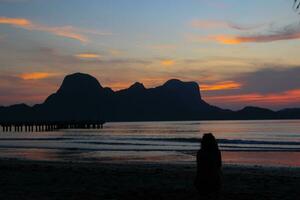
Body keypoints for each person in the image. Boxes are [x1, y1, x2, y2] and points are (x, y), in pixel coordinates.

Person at [194, 133, 222, 198]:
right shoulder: (217, 151)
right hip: (214, 179)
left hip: (202, 179)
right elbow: (219, 165)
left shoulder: (200, 152)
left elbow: (199, 167)